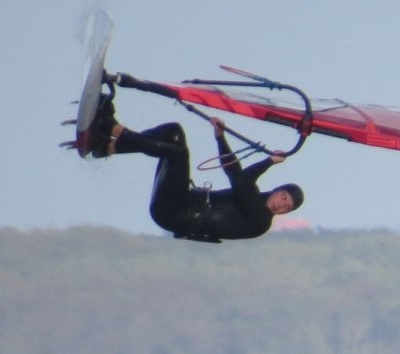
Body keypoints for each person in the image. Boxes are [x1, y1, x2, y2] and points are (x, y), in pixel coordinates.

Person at [86, 79, 304, 244]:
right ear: (277, 190)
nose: (281, 205)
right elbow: (234, 173)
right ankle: (106, 147)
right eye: (284, 197)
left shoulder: (260, 221)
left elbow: (244, 182)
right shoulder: (252, 198)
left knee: (178, 153)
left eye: (287, 207)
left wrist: (269, 162)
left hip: (175, 213)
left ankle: (112, 127)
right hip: (181, 200)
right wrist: (220, 137)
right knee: (173, 133)